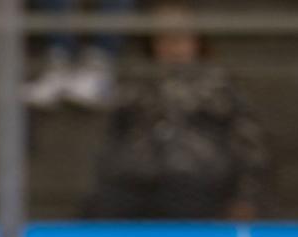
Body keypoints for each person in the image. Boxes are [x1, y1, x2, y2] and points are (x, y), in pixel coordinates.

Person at [81, 4, 268, 220]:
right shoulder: (135, 83)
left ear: (196, 41)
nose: (173, 47)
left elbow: (250, 145)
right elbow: (110, 139)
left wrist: (246, 197)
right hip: (135, 184)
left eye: (180, 38)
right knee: (100, 208)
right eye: (165, 39)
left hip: (197, 183)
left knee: (184, 200)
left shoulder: (221, 86)